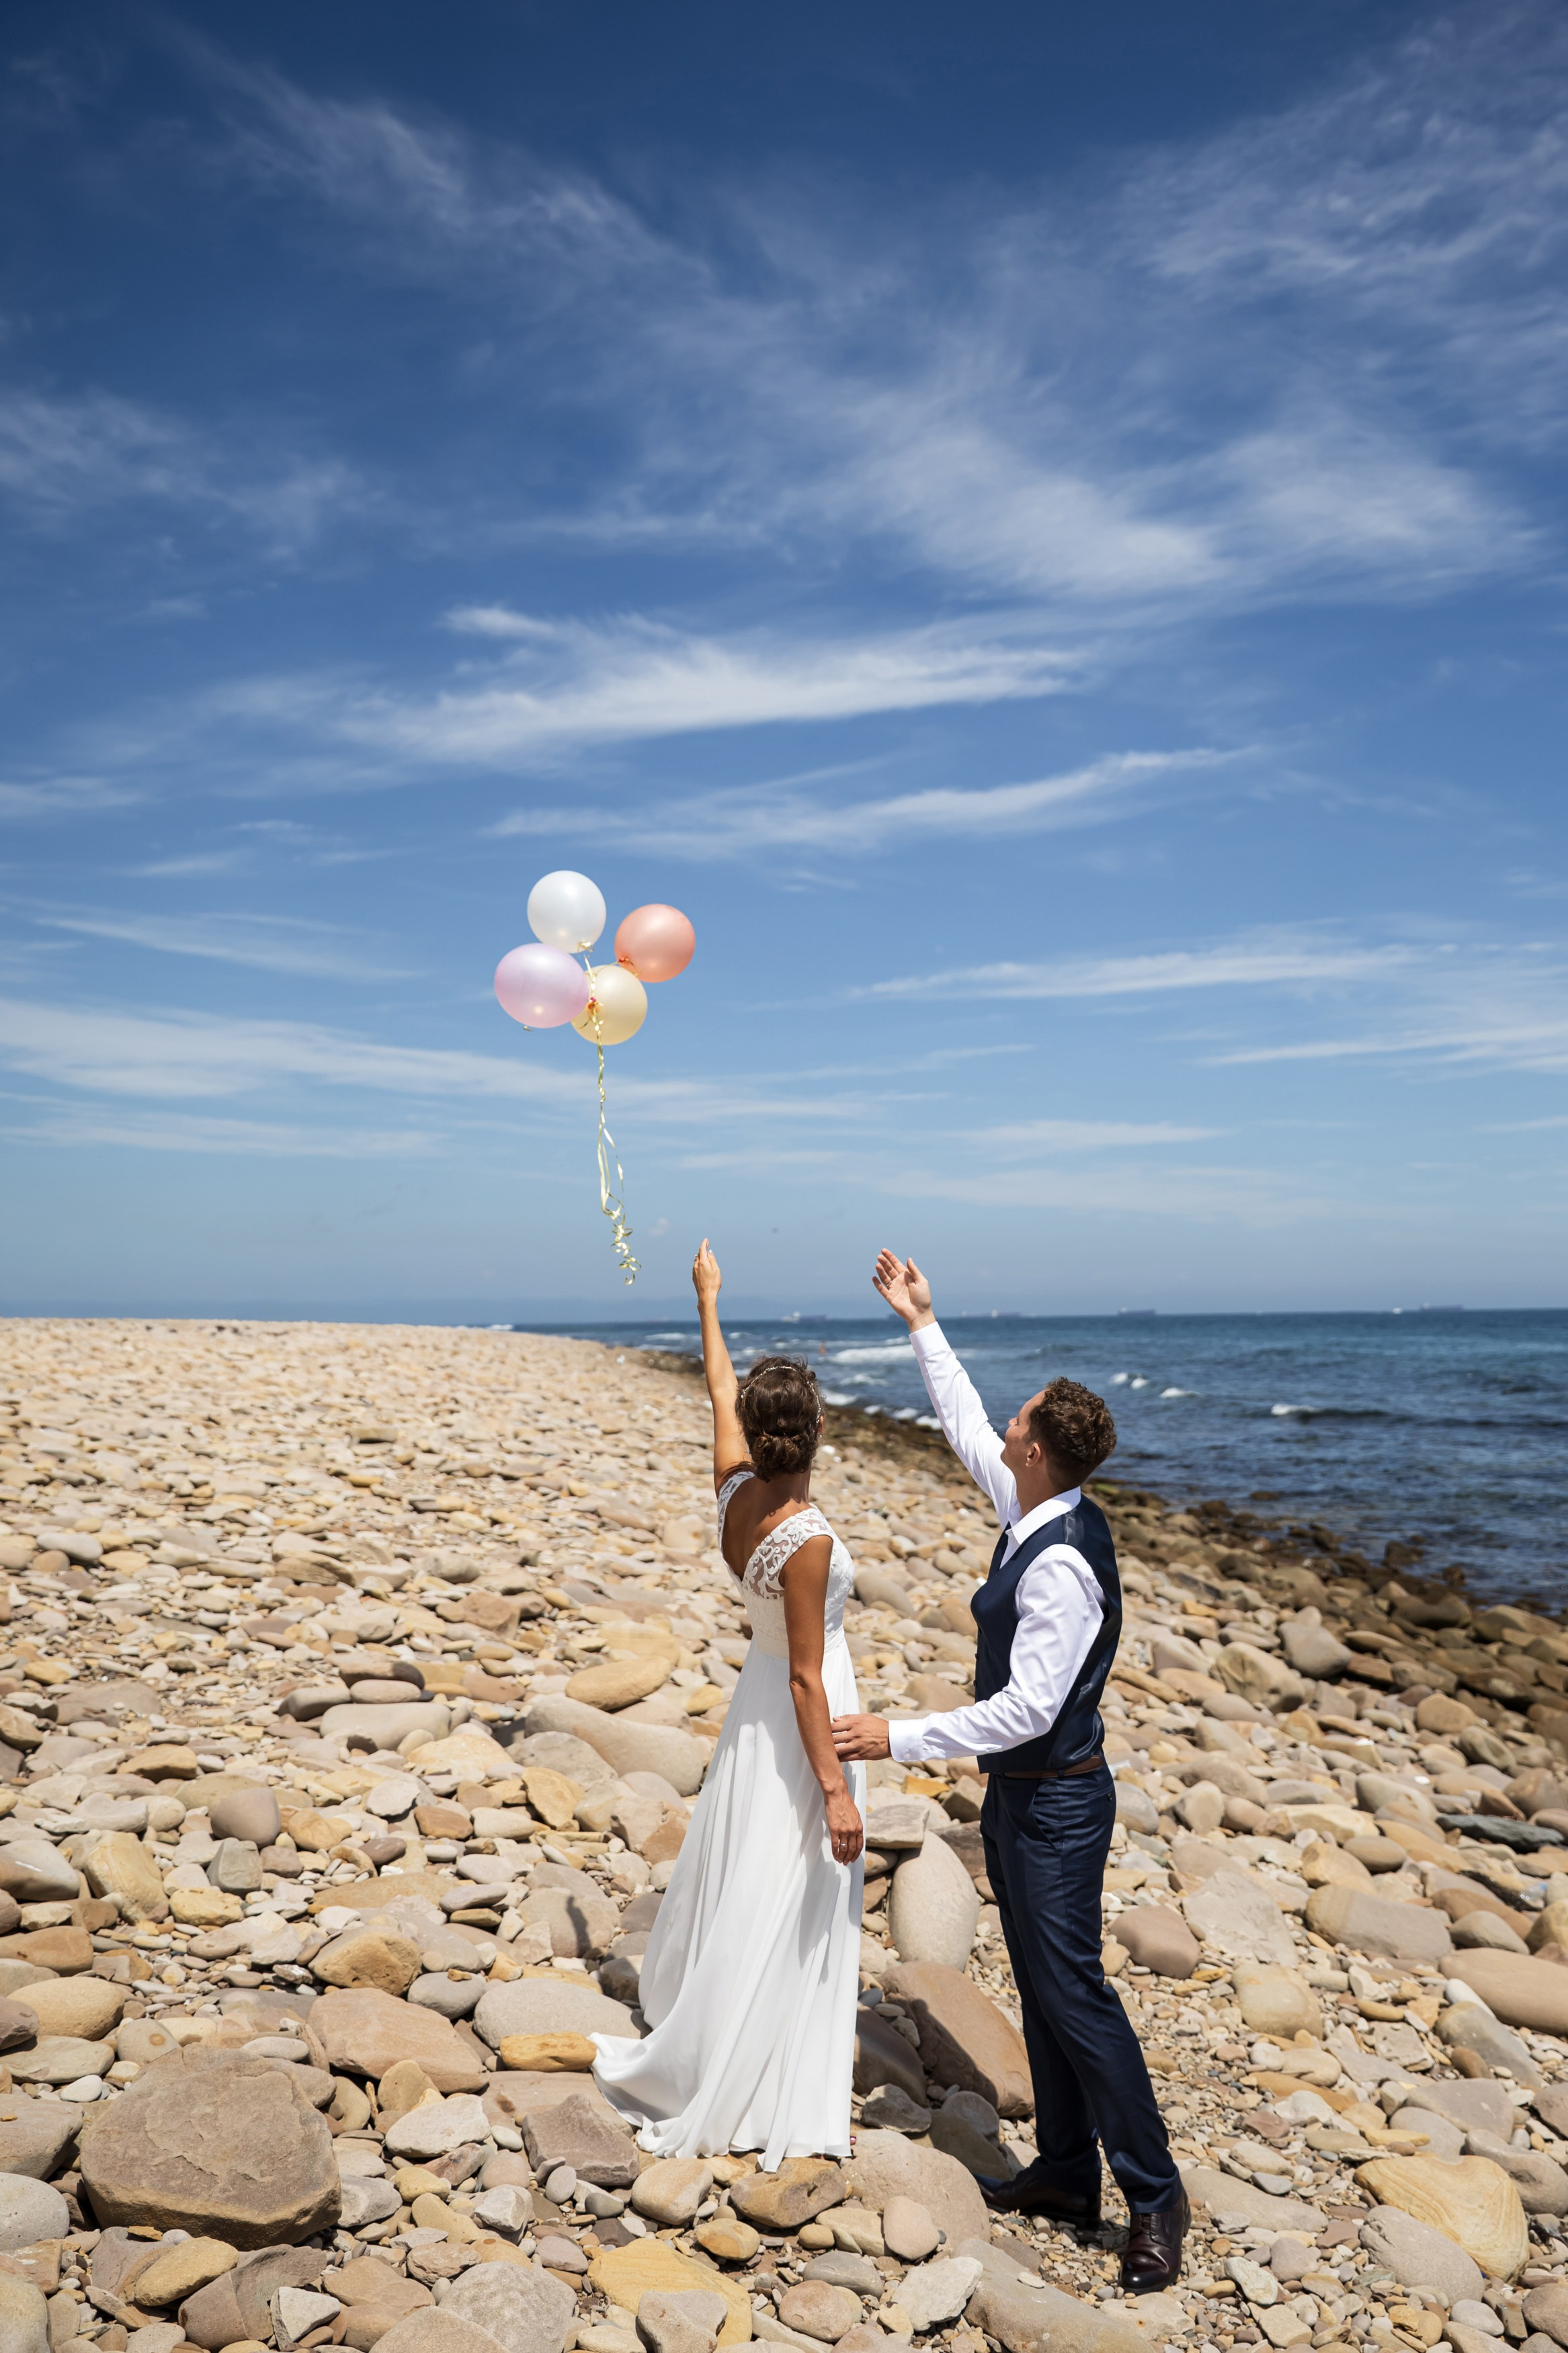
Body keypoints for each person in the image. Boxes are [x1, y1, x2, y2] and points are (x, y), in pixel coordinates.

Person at [831, 1249, 1187, 2295]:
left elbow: (1028, 1709)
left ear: (1033, 1452)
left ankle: (1154, 2197)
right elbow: (957, 1421)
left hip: (1062, 1804)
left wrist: (893, 1735)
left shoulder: (1064, 1565)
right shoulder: (1035, 1507)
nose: (1004, 1430)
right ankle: (1069, 2172)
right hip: (1025, 1799)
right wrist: (920, 1325)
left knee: (1076, 1993)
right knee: (1039, 1987)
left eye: (1015, 1423)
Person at [592, 1239, 866, 2166]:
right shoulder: (808, 1537)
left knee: (749, 1858)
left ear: (754, 1432)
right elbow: (804, 1673)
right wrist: (833, 1786)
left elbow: (716, 1391)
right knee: (788, 1869)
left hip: (755, 1701)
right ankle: (757, 2052)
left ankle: (717, 2005)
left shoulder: (733, 1488)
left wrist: (707, 1298)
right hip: (796, 1710)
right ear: (818, 1433)